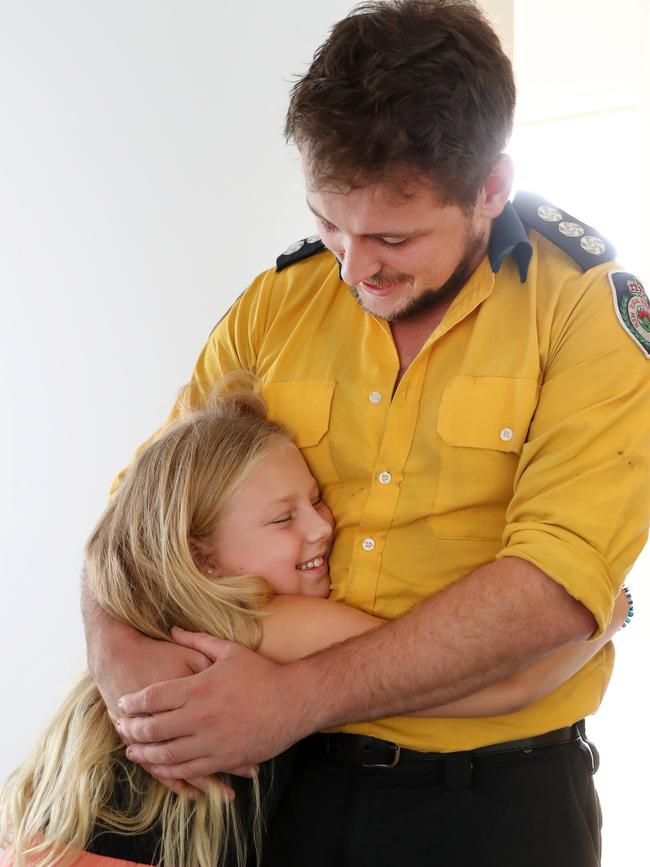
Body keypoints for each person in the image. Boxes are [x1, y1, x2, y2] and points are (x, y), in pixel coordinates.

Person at [82, 1, 650, 865]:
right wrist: (120, 663)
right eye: (327, 223)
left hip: (494, 803)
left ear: (491, 188)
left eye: (393, 236)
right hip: (278, 783)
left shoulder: (588, 315)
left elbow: (549, 592)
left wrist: (296, 696)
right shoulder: (277, 305)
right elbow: (137, 516)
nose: (354, 268)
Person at [2, 382, 628, 867]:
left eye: (316, 499)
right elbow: (503, 685)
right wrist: (606, 614)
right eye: (283, 519)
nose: (322, 526)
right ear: (202, 554)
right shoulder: (267, 625)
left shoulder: (158, 616)